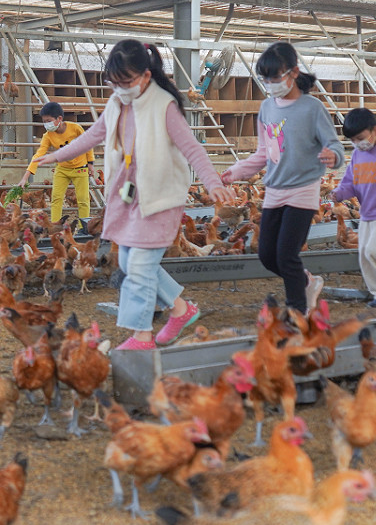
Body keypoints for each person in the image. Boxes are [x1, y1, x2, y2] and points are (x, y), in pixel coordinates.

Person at [32, 40, 236, 351]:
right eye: (114, 81)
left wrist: (212, 181)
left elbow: (192, 147)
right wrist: (56, 156)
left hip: (159, 197)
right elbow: (93, 135)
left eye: (125, 81)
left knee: (139, 264)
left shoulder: (163, 105)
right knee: (128, 259)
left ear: (144, 75)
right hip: (128, 197)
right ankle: (182, 310)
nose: (119, 87)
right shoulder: (116, 102)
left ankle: (142, 336)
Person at [221, 41, 344, 315]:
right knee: (267, 255)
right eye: (265, 79)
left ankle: (297, 313)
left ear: (293, 72)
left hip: (303, 189)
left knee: (287, 255)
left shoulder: (312, 108)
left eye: (275, 78)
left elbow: (334, 145)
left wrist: (332, 157)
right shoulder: (267, 108)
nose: (270, 84)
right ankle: (307, 282)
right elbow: (264, 153)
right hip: (274, 190)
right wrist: (237, 171)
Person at [331, 107, 376, 307]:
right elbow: (349, 183)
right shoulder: (356, 155)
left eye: (360, 138)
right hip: (367, 213)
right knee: (364, 255)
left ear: (375, 131)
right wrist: (338, 193)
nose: (357, 144)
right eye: (353, 141)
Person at [19, 101, 95, 227]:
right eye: (44, 121)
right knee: (56, 199)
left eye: (48, 120)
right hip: (62, 169)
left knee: (83, 200)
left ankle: (84, 227)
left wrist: (90, 163)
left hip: (80, 168)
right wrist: (25, 177)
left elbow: (87, 145)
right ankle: (55, 227)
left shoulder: (75, 128)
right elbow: (38, 155)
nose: (46, 124)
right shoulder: (48, 135)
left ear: (59, 118)